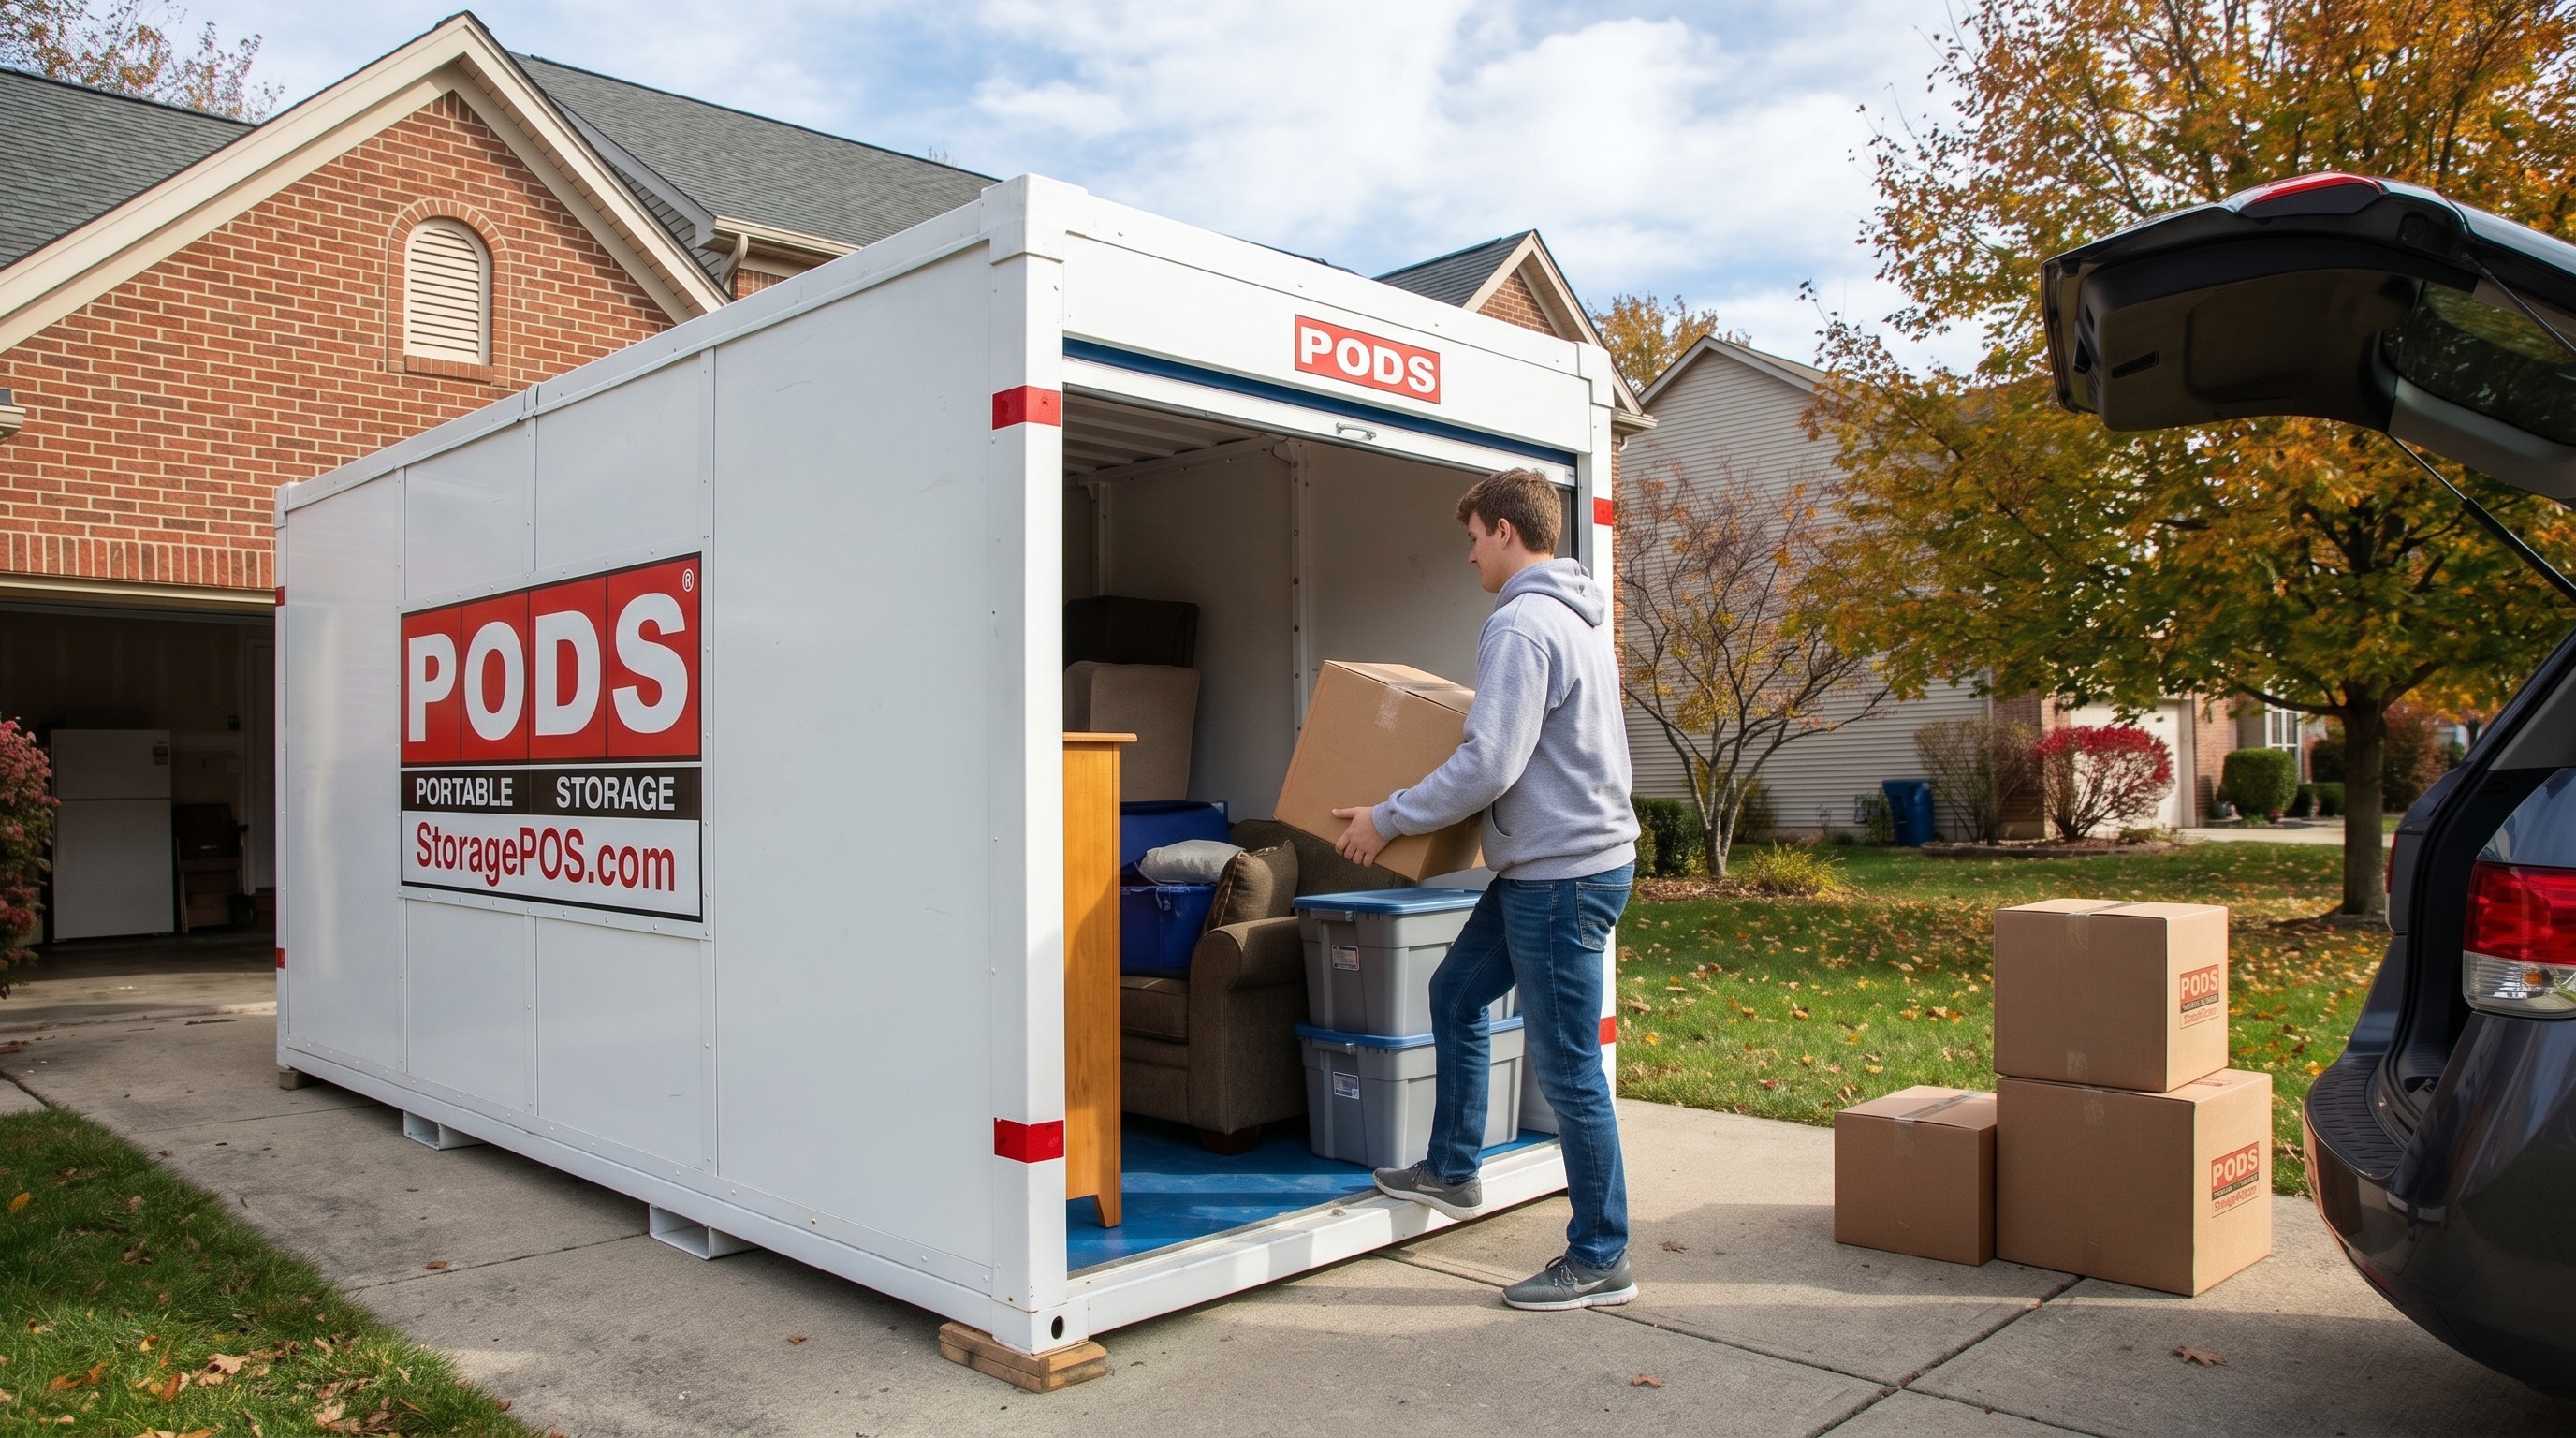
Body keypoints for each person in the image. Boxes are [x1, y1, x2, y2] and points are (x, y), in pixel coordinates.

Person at [1328, 467, 1640, 1311]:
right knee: (1458, 994)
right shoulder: (1573, 619)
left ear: (1505, 530)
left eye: (1472, 538)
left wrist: (1388, 819)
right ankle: (1454, 1169)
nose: (1468, 557)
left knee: (1571, 1069)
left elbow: (1490, 761)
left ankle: (1601, 1254)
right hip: (1556, 865)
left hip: (1561, 877)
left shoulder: (1523, 626)